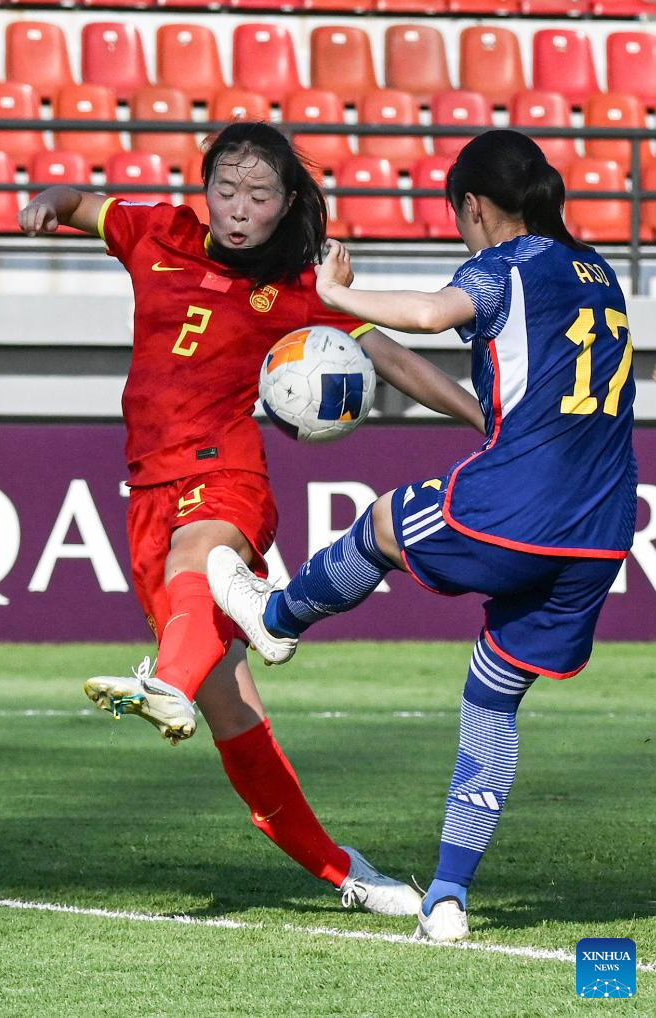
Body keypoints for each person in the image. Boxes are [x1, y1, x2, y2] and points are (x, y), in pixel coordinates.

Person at [18, 121, 483, 915]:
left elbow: (395, 360)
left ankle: (170, 671)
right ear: (204, 190)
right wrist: (45, 202)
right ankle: (349, 875)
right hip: (147, 494)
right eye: (225, 189)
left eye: (258, 195)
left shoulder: (303, 288)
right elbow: (77, 202)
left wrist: (484, 421)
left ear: (287, 203)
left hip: (226, 473)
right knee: (233, 713)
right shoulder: (156, 231)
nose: (237, 207)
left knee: (196, 566)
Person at [208, 129, 637, 942]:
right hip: (600, 526)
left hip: (517, 502)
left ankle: (278, 618)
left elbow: (432, 313)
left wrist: (339, 296)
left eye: (456, 214)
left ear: (472, 207)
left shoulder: (502, 265)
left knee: (381, 523)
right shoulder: (599, 270)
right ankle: (447, 897)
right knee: (490, 700)